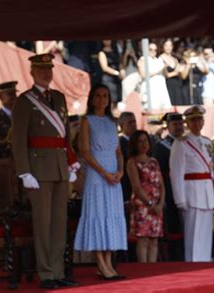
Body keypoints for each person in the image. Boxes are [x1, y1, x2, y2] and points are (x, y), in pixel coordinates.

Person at [11, 54, 79, 289]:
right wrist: (24, 172)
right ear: (32, 72)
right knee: (42, 223)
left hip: (60, 166)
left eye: (49, 69)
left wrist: (71, 163)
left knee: (59, 222)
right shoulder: (24, 101)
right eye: (41, 70)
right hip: (37, 169)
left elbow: (65, 136)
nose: (46, 73)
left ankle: (58, 270)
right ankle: (46, 273)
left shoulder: (59, 98)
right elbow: (18, 139)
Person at [73, 84, 127, 280]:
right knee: (97, 214)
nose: (102, 99)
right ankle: (102, 264)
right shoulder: (87, 121)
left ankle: (108, 263)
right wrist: (104, 173)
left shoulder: (113, 122)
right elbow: (85, 151)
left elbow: (119, 152)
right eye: (98, 95)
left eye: (105, 96)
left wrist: (120, 171)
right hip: (98, 175)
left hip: (113, 176)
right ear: (91, 99)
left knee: (110, 216)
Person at [169, 105, 214, 262]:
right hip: (192, 193)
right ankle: (193, 263)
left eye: (199, 120)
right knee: (193, 234)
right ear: (187, 123)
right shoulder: (181, 143)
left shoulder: (207, 142)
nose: (197, 123)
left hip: (206, 192)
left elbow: (211, 170)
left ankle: (205, 261)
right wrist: (180, 199)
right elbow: (176, 172)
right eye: (193, 120)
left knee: (205, 234)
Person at [127, 130, 165, 263]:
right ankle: (143, 269)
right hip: (142, 204)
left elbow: (161, 185)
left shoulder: (154, 161)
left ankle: (152, 268)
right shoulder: (132, 162)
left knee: (154, 240)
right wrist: (150, 204)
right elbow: (136, 187)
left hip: (156, 204)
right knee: (143, 239)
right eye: (140, 141)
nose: (144, 144)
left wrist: (160, 204)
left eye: (146, 141)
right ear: (134, 144)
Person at [152, 112, 185, 261]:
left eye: (180, 124)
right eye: (175, 124)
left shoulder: (187, 142)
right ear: (168, 126)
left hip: (188, 187)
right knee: (174, 225)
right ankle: (176, 258)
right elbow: (158, 173)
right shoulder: (162, 146)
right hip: (170, 190)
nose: (179, 127)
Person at [137, 42, 172, 110]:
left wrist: (165, 67)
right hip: (150, 91)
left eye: (155, 50)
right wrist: (158, 70)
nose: (153, 51)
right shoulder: (143, 59)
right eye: (150, 49)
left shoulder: (159, 60)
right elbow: (143, 75)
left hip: (161, 90)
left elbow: (166, 75)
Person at [98, 40, 124, 107]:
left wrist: (122, 70)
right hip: (108, 79)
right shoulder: (102, 53)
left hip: (117, 79)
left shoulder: (115, 51)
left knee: (117, 100)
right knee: (110, 100)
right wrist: (116, 73)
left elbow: (120, 63)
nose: (107, 41)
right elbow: (104, 67)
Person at [161, 39, 184, 106]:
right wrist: (176, 72)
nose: (168, 47)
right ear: (163, 47)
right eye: (166, 45)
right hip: (168, 85)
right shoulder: (160, 58)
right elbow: (166, 75)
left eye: (170, 45)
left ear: (172, 47)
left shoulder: (175, 59)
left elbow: (179, 71)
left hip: (178, 84)